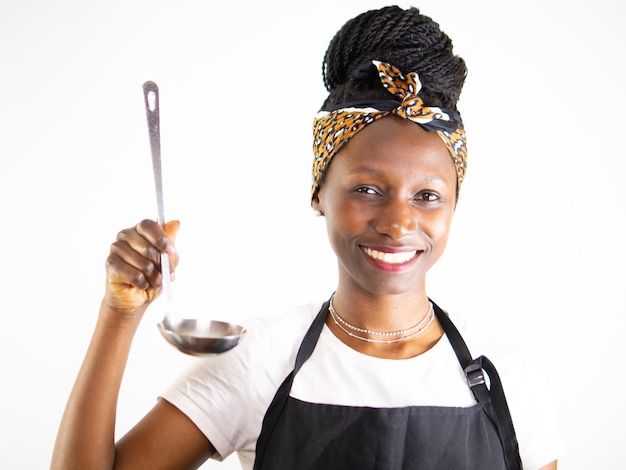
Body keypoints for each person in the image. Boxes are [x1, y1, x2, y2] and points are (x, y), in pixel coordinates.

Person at [51, 5, 565, 469]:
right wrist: (118, 316)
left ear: (455, 204)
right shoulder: (258, 363)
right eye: (367, 188)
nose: (398, 222)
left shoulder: (509, 381)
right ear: (319, 193)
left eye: (427, 196)